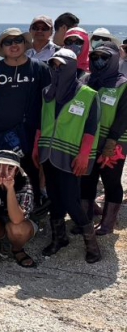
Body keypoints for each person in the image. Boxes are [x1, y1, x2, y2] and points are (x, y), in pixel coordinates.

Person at [34, 48, 101, 263]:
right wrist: (37, 147)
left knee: (72, 201)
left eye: (61, 65)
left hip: (71, 155)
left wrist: (84, 155)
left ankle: (92, 244)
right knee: (54, 197)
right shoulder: (47, 92)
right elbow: (40, 122)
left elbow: (92, 128)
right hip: (48, 153)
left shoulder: (88, 94)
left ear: (72, 67)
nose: (56, 69)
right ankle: (59, 238)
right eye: (53, 65)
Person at [0, 28, 51, 200]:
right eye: (8, 42)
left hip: (29, 133)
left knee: (30, 173)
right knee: (0, 172)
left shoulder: (40, 68)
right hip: (0, 132)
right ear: (2, 47)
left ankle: (31, 209)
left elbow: (50, 101)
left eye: (17, 40)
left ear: (25, 43)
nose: (13, 45)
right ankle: (1, 207)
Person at [81, 42, 126, 236]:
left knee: (111, 181)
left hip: (114, 142)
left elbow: (124, 115)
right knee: (87, 179)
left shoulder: (123, 84)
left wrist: (112, 140)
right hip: (90, 140)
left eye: (104, 57)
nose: (99, 61)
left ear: (115, 59)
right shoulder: (86, 80)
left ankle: (108, 222)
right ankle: (85, 218)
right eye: (95, 57)